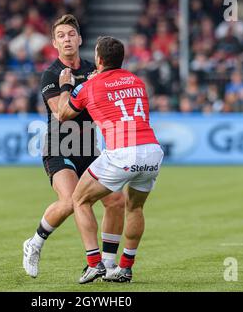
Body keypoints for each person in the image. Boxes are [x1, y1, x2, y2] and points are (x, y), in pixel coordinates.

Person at [22, 15, 125, 279]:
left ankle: (107, 263)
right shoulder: (51, 74)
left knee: (115, 200)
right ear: (54, 43)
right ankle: (34, 243)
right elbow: (60, 112)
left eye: (71, 34)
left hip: (90, 148)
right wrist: (76, 85)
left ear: (79, 39)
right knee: (70, 201)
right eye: (61, 36)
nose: (67, 39)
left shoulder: (95, 68)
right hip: (60, 146)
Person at [57, 36, 164, 284]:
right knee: (135, 207)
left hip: (122, 152)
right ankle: (124, 267)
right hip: (151, 150)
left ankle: (94, 264)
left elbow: (63, 114)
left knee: (79, 199)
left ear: (99, 59)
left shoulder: (89, 87)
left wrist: (66, 86)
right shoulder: (136, 81)